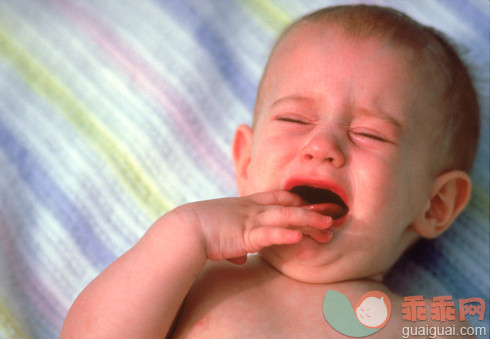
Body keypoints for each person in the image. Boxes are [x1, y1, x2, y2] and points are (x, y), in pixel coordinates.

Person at [61, 4, 480, 337]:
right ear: (246, 160)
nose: (322, 146)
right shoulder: (196, 273)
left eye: (369, 133)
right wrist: (183, 234)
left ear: (436, 205)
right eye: (295, 120)